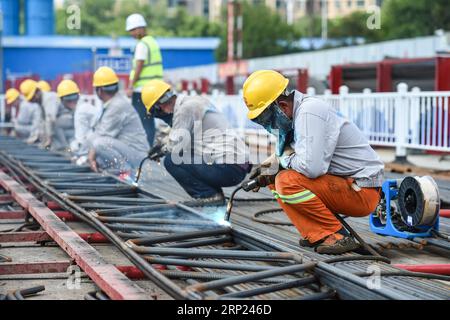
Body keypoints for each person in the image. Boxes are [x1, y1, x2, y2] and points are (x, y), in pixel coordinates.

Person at [242, 70, 384, 254]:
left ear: (282, 106)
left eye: (267, 119)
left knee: (286, 181)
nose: (269, 125)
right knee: (274, 180)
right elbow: (292, 155)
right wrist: (268, 168)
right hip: (345, 184)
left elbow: (311, 168)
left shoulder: (309, 112)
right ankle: (317, 234)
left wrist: (280, 163)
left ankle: (337, 235)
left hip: (362, 191)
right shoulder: (297, 116)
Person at [141, 80, 250, 206]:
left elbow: (175, 145)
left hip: (229, 169)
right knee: (185, 154)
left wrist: (160, 150)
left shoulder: (185, 109)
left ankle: (209, 195)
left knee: (172, 161)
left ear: (159, 108)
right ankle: (212, 194)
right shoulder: (194, 101)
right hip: (236, 166)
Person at [86, 66, 149, 174]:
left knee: (99, 144)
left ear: (99, 90)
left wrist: (90, 159)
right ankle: (116, 170)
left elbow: (102, 136)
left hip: (138, 156)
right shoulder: (113, 103)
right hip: (130, 152)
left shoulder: (117, 106)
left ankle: (127, 173)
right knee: (94, 142)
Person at [126, 13, 164, 147]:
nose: (131, 33)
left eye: (132, 30)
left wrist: (130, 86)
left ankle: (145, 151)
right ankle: (150, 148)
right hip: (155, 90)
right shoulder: (152, 42)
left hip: (142, 90)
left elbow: (139, 66)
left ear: (140, 28)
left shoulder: (142, 45)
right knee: (149, 121)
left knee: (143, 121)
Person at [55, 80, 101, 157]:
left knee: (73, 145)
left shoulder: (80, 112)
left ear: (62, 100)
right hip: (101, 141)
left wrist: (73, 154)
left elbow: (81, 142)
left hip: (99, 145)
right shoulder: (83, 106)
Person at [19, 79, 60, 147]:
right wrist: (36, 137)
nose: (32, 101)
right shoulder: (41, 103)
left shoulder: (49, 99)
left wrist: (48, 139)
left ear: (37, 92)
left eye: (32, 98)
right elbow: (41, 122)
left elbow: (50, 120)